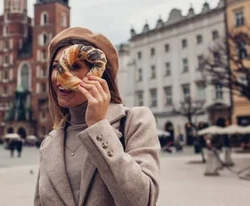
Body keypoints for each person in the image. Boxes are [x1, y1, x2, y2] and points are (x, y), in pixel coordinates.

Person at [34, 27, 160, 206]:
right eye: (56, 67)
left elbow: (143, 200)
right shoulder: (50, 142)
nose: (60, 76)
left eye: (75, 66)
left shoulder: (135, 121)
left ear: (98, 73)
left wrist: (99, 126)